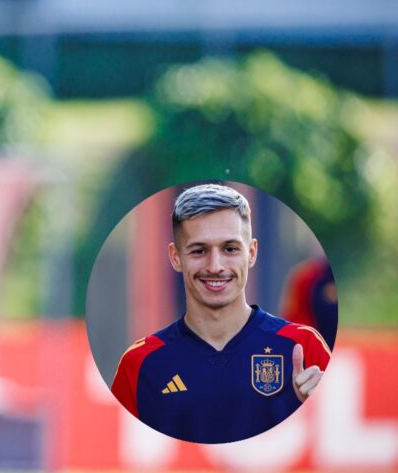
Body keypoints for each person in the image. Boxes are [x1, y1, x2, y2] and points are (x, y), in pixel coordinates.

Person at [110, 183, 330, 443]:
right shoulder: (140, 364)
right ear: (175, 257)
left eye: (230, 249)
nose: (215, 266)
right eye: (199, 250)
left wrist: (317, 413)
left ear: (251, 253)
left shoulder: (303, 348)